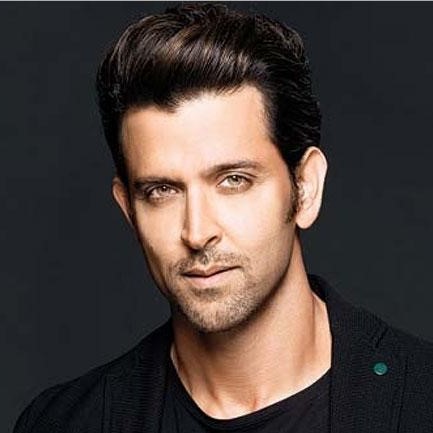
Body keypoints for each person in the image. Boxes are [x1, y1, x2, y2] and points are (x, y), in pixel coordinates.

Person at [13, 3, 433, 432]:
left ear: (305, 188)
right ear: (129, 210)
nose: (197, 232)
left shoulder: (420, 402)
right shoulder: (63, 422)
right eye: (162, 191)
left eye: (234, 180)